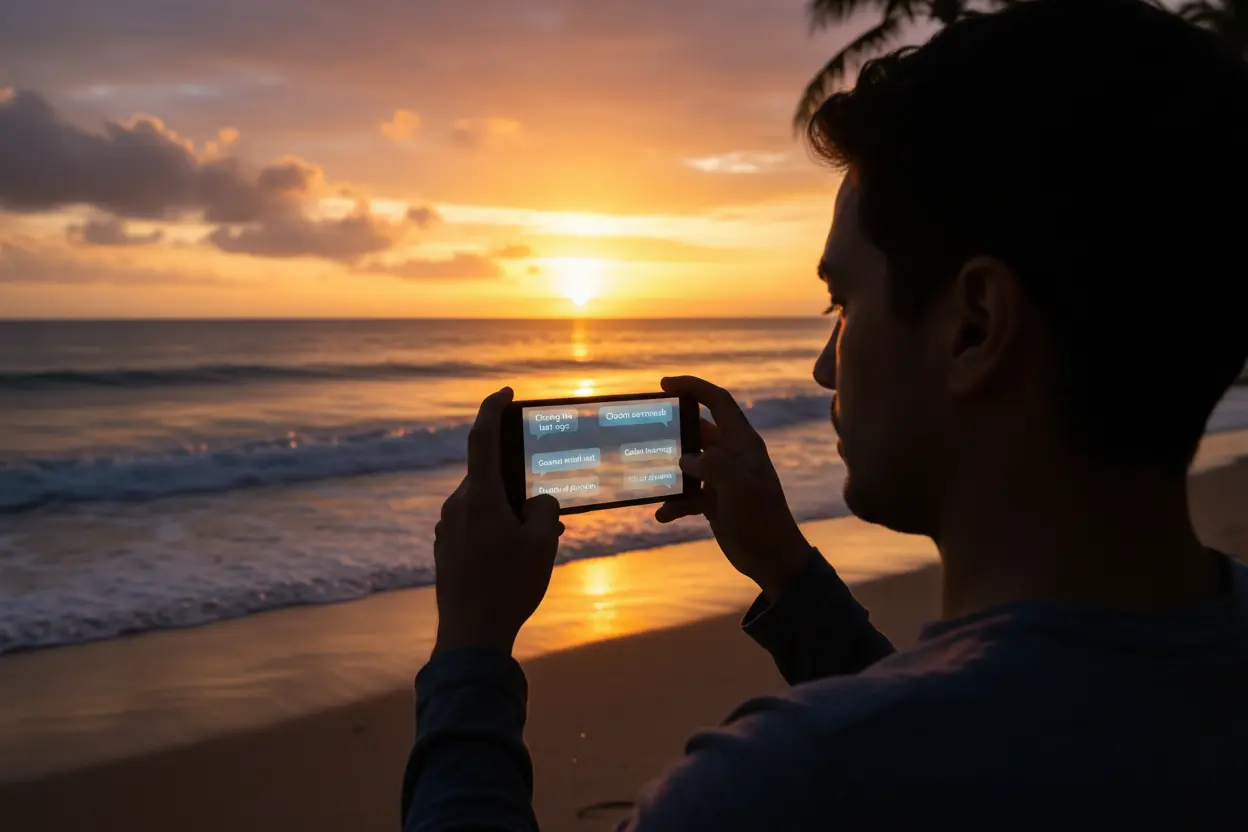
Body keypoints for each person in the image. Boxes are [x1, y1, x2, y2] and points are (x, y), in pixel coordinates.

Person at [401, 0, 1248, 827]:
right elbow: (969, 738)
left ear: (975, 326)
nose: (820, 367)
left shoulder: (782, 786)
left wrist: (470, 652)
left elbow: (917, 752)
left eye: (840, 303)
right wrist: (790, 575)